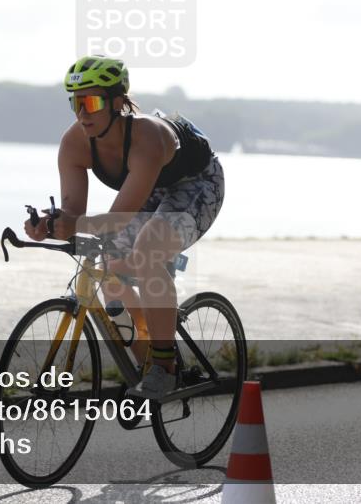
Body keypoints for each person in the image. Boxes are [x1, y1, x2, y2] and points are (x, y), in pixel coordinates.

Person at [24, 55, 225, 399]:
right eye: (75, 102)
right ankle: (145, 360)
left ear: (117, 103)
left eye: (90, 102)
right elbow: (75, 213)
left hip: (196, 184)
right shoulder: (74, 143)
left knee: (147, 250)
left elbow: (118, 219)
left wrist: (74, 225)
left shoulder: (149, 137)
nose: (81, 113)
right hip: (150, 188)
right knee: (110, 269)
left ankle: (164, 368)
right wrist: (49, 224)